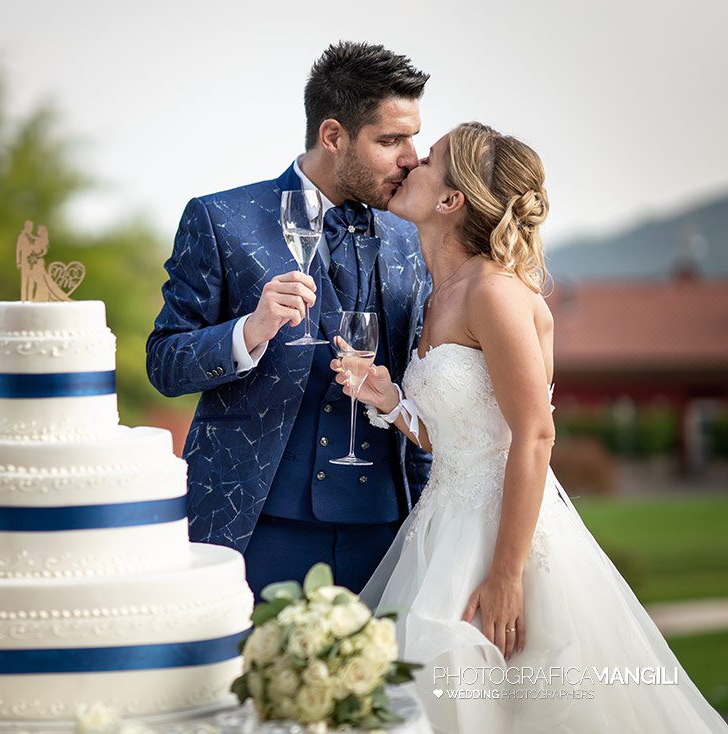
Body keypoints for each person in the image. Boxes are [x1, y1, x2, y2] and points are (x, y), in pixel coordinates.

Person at [343, 122, 728, 732]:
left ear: (451, 201)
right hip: (443, 529)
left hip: (505, 539)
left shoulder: (492, 291)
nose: (411, 161)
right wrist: (390, 401)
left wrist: (504, 578)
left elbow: (535, 434)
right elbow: (463, 439)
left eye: (431, 158)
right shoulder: (441, 293)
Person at [146, 42, 432, 596]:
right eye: (391, 140)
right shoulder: (221, 219)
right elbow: (164, 362)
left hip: (391, 528)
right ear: (333, 136)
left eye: (414, 138)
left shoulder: (412, 236)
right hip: (255, 526)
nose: (411, 158)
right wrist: (247, 332)